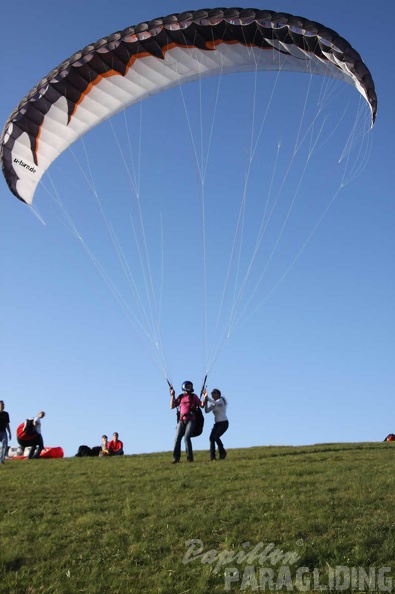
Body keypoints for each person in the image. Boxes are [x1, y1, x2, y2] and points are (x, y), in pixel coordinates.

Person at [170, 380, 205, 463]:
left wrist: (205, 397)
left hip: (191, 420)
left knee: (186, 438)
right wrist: (172, 395)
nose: (190, 387)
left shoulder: (194, 397)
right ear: (184, 387)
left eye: (191, 386)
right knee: (177, 439)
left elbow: (202, 405)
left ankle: (190, 458)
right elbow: (172, 406)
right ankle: (176, 458)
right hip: (181, 420)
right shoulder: (180, 397)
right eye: (188, 386)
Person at [203, 388, 229, 460]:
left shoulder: (220, 400)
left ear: (218, 394)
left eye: (214, 393)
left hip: (224, 422)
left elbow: (216, 403)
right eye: (212, 393)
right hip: (217, 423)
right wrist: (205, 402)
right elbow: (207, 411)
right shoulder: (213, 402)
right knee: (211, 438)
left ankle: (222, 452)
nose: (212, 394)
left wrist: (206, 397)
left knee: (216, 437)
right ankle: (212, 456)